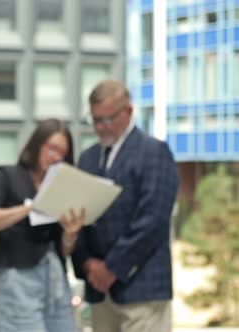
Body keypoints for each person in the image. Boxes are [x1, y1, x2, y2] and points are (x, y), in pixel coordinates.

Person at [72, 79, 179, 332]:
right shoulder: (87, 159)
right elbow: (79, 219)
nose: (101, 127)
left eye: (108, 119)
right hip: (99, 292)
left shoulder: (154, 152)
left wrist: (111, 268)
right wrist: (87, 264)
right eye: (96, 120)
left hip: (143, 288)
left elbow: (152, 220)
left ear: (128, 112)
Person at [0, 119, 85, 332]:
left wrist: (70, 234)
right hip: (19, 278)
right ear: (37, 145)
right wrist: (31, 208)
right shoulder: (7, 176)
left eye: (63, 153)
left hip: (56, 278)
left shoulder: (60, 186)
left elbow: (64, 249)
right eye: (52, 148)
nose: (56, 157)